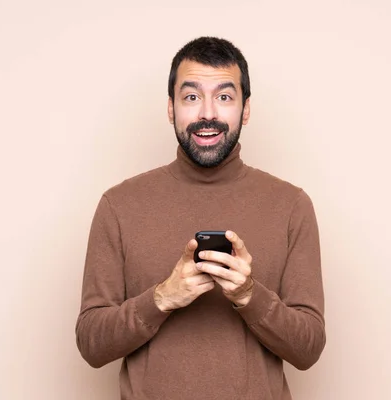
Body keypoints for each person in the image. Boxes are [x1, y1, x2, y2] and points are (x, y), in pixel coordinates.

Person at [75, 36, 326, 400]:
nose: (207, 113)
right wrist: (162, 297)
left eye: (224, 97)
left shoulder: (291, 205)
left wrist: (248, 295)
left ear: (246, 109)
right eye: (191, 97)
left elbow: (309, 349)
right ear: (170, 108)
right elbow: (91, 344)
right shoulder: (118, 205)